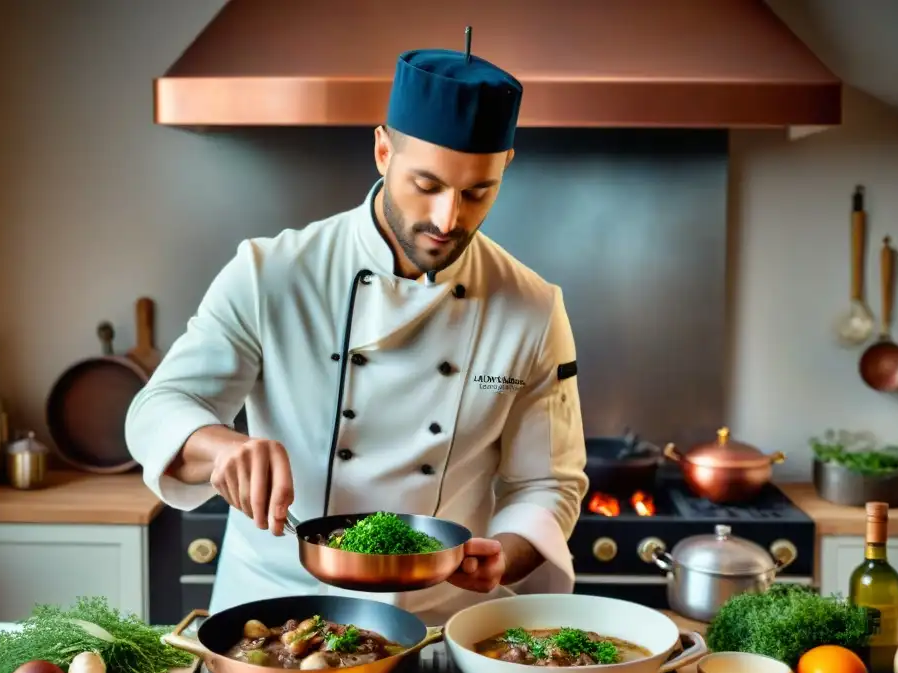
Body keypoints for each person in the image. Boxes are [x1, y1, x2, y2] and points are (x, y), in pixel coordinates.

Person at [125, 41, 588, 625]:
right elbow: (157, 409)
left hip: (444, 620)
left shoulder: (533, 308)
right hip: (270, 614)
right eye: (427, 184)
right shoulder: (271, 273)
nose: (449, 219)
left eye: (477, 193)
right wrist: (224, 447)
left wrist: (507, 554)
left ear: (505, 169)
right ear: (382, 151)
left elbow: (547, 483)